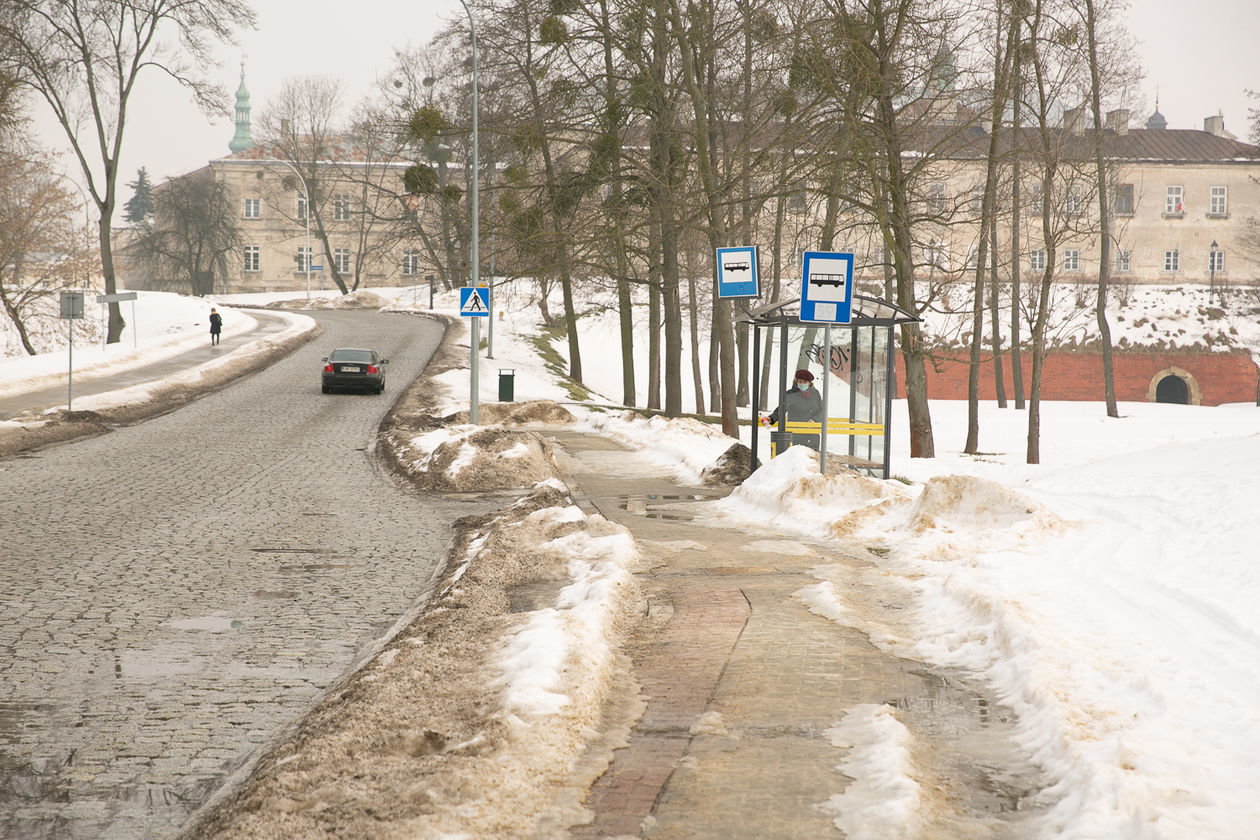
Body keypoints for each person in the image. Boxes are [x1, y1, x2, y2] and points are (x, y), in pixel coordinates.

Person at [761, 369, 824, 447]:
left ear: (810, 383)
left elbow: (821, 410)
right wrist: (771, 418)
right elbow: (781, 410)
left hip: (812, 434)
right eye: (800, 381)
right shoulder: (790, 394)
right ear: (796, 381)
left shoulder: (815, 394)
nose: (802, 384)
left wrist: (815, 420)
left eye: (805, 382)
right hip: (796, 434)